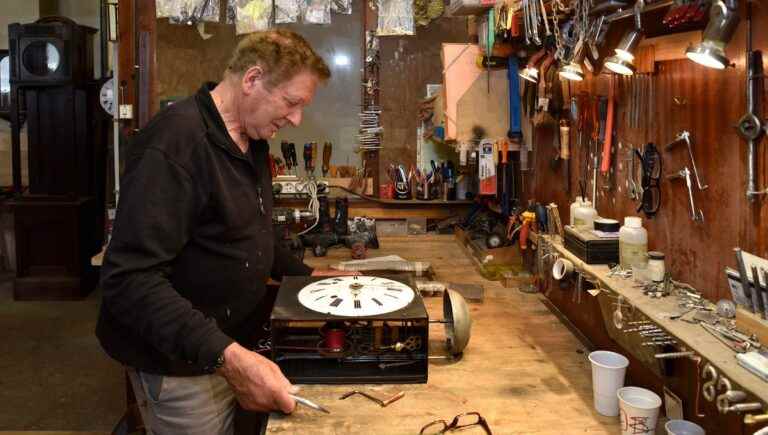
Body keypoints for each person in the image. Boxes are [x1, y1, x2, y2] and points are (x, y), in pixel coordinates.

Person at [96, 29, 331, 434]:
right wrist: (229, 358)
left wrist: (308, 279)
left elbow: (249, 230)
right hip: (181, 364)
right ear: (252, 80)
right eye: (292, 103)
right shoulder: (175, 145)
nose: (296, 119)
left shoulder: (249, 137)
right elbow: (130, 279)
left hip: (227, 346)